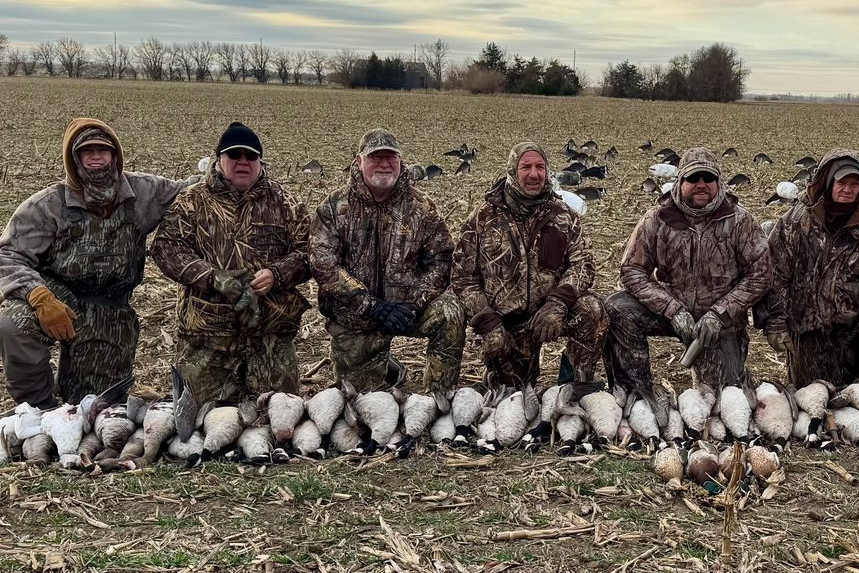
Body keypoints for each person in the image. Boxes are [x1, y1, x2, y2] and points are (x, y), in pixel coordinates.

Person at [0, 119, 185, 407]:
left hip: (110, 308)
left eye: (102, 150)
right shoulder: (48, 205)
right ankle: (39, 409)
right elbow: (7, 256)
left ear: (115, 156)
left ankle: (70, 405)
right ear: (74, 158)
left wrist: (225, 162)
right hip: (57, 295)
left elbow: (191, 191)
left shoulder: (142, 193)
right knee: (10, 327)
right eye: (86, 151)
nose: (95, 156)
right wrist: (39, 297)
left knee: (94, 408)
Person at [151, 122, 310, 404]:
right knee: (202, 423)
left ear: (260, 162)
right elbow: (166, 248)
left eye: (250, 156)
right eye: (234, 155)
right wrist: (211, 277)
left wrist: (277, 274)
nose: (243, 162)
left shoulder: (286, 202)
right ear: (219, 159)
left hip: (270, 335)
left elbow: (309, 251)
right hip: (207, 336)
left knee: (277, 419)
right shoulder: (193, 200)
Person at [606, 145, 771, 394]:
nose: (701, 184)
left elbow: (760, 274)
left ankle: (735, 374)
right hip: (672, 309)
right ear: (680, 181)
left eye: (708, 178)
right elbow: (632, 270)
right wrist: (672, 309)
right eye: (693, 178)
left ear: (719, 182)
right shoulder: (657, 219)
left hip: (719, 320)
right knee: (617, 309)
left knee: (723, 400)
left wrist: (720, 313)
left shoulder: (740, 221)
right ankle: (635, 393)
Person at [310, 130, 466, 393]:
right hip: (357, 313)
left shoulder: (421, 207)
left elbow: (442, 260)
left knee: (450, 313)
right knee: (358, 399)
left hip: (408, 308)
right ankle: (389, 369)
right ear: (359, 161)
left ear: (401, 161)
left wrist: (415, 304)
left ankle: (439, 399)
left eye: (390, 157)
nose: (384, 164)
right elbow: (324, 265)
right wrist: (372, 306)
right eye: (375, 157)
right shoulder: (334, 207)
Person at [454, 143, 605, 386]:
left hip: (551, 312)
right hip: (506, 321)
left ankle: (575, 383)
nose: (534, 174)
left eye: (540, 167)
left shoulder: (564, 215)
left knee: (593, 310)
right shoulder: (484, 217)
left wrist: (557, 303)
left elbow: (583, 265)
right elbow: (463, 278)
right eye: (526, 167)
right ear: (512, 171)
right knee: (513, 394)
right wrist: (487, 321)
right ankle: (500, 372)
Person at [761, 150, 859, 388]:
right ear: (828, 182)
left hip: (857, 324)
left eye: (855, 184)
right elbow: (775, 276)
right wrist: (776, 323)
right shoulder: (795, 222)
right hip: (810, 327)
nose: (848, 189)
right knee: (816, 397)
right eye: (842, 182)